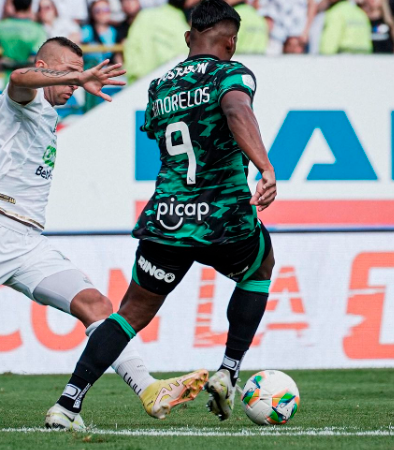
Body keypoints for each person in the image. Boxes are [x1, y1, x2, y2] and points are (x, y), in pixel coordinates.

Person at [0, 38, 210, 426]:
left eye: (77, 75)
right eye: (67, 73)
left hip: (28, 242)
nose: (74, 83)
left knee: (97, 305)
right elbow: (19, 77)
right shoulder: (25, 97)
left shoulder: (10, 108)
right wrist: (77, 76)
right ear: (44, 67)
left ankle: (148, 390)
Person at [45, 0, 277, 428]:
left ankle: (67, 404)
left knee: (130, 313)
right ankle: (228, 371)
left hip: (168, 216)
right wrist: (264, 167)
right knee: (260, 265)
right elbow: (236, 110)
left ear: (189, 37)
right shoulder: (232, 74)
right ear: (230, 42)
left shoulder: (159, 87)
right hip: (222, 216)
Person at [121, 0, 197, 81]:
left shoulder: (145, 15)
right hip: (166, 84)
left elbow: (130, 48)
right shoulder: (180, 26)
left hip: (139, 83)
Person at [80, 0, 119, 67]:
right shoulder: (86, 30)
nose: (102, 13)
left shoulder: (115, 31)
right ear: (92, 13)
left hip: (108, 70)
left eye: (105, 10)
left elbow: (117, 57)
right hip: (89, 70)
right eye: (97, 10)